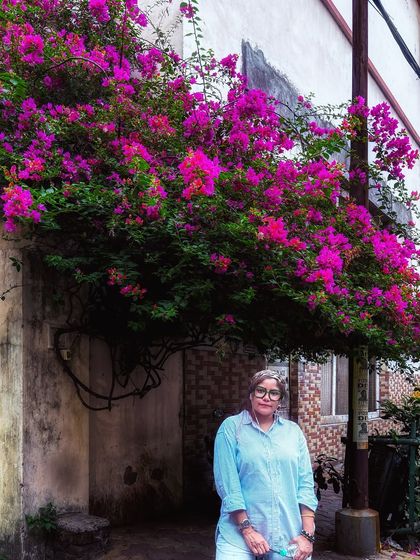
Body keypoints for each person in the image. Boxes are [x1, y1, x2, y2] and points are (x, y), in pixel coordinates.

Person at [213, 369, 317, 560]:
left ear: (280, 399)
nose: (266, 397)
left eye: (274, 393)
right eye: (260, 390)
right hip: (238, 535)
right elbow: (228, 485)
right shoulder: (231, 428)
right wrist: (247, 530)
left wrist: (307, 536)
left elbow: (305, 485)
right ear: (251, 394)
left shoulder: (293, 432)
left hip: (288, 538)